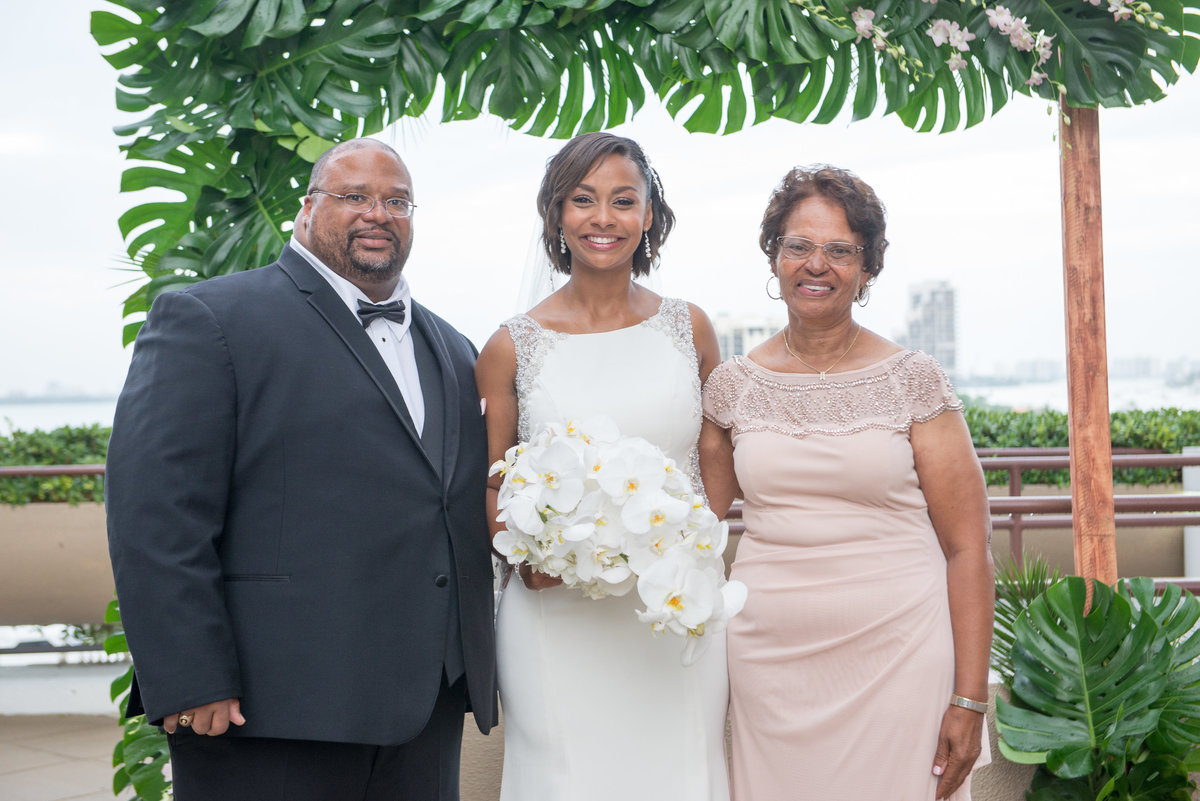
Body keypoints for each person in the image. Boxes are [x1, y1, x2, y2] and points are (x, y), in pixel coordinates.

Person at [106, 138, 498, 801]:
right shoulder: (210, 318)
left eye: (396, 200)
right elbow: (155, 514)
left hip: (423, 710)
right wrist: (190, 674)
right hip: (272, 707)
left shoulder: (455, 346)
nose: (378, 212)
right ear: (307, 209)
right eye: (354, 196)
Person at [700, 165, 993, 800]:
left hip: (901, 658)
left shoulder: (913, 382)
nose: (816, 264)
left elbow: (969, 547)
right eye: (798, 245)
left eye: (840, 250)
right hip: (768, 668)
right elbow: (693, 522)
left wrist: (970, 699)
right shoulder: (731, 386)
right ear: (774, 257)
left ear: (867, 268)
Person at [474, 132, 730, 801]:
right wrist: (531, 554)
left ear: (648, 215)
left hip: (673, 612)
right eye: (583, 200)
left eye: (623, 200)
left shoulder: (690, 328)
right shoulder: (510, 345)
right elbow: (493, 483)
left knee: (683, 775)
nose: (603, 218)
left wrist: (694, 547)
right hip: (557, 615)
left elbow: (718, 460)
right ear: (556, 213)